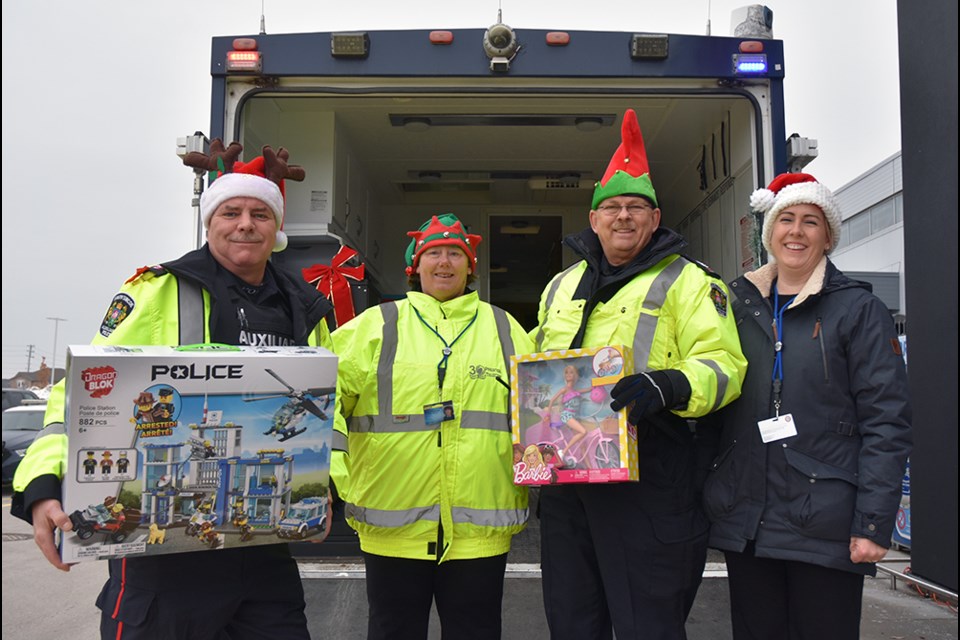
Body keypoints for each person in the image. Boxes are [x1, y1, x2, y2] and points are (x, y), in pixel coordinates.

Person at [11, 140, 334, 640]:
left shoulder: (307, 309)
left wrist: (324, 489)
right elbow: (79, 396)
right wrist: (43, 484)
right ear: (210, 223)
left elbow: (325, 416)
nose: (245, 223)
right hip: (159, 565)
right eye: (231, 212)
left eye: (259, 213)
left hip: (263, 562)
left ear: (277, 228)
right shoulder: (157, 291)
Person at [531, 108, 747, 640]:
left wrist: (667, 384)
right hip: (567, 481)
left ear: (655, 219)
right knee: (571, 619)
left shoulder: (691, 283)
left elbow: (726, 366)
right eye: (612, 208)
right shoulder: (561, 284)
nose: (623, 217)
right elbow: (538, 363)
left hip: (651, 474)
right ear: (594, 218)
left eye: (636, 208)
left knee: (647, 621)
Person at [703, 172, 912, 639]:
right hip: (749, 523)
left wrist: (873, 523)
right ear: (769, 231)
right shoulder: (735, 307)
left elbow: (887, 423)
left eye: (811, 222)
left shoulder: (858, 310)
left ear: (828, 236)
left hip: (826, 523)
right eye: (787, 219)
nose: (796, 231)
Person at [330, 213, 533, 640]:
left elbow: (541, 409)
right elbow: (319, 399)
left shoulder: (506, 329)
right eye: (434, 253)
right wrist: (340, 475)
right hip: (392, 527)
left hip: (480, 530)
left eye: (455, 253)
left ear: (471, 266)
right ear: (415, 268)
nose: (445, 262)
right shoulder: (375, 327)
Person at [546, 364, 589, 459]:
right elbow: (552, 400)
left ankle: (589, 466)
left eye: (571, 372)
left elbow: (585, 390)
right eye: (566, 373)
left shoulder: (574, 390)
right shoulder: (564, 389)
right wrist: (548, 414)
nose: (568, 374)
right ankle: (563, 452)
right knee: (583, 431)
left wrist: (596, 387)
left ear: (575, 375)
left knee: (581, 444)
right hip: (567, 416)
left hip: (574, 417)